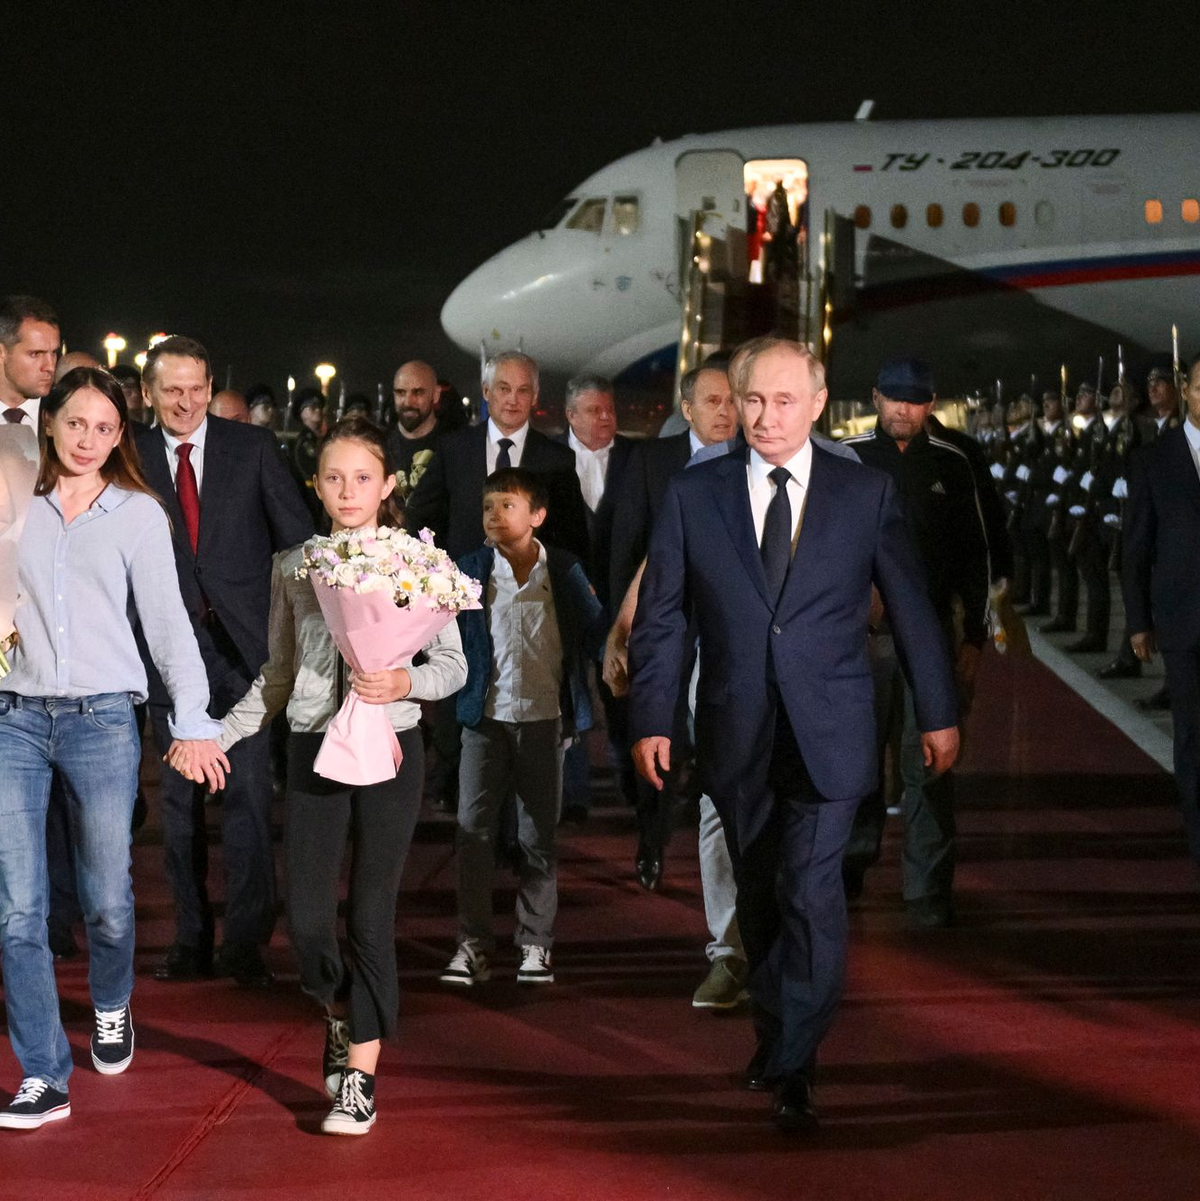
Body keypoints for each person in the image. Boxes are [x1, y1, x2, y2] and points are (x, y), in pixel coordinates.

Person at [628, 337, 958, 1132]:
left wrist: (939, 710)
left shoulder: (864, 492)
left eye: (783, 401)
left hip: (832, 729)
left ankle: (797, 1063)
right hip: (737, 729)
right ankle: (777, 1036)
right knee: (762, 894)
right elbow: (664, 617)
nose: (766, 417)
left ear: (817, 405)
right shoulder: (692, 493)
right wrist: (652, 715)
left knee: (811, 888)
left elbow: (911, 608)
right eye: (752, 401)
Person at [182, 415, 466, 1136]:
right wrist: (216, 733)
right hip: (314, 747)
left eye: (363, 477)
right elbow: (278, 675)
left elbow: (453, 666)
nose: (347, 490)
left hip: (393, 749)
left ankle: (360, 1079)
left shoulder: (418, 563)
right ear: (316, 483)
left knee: (371, 914)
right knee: (308, 919)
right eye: (333, 477)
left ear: (389, 485)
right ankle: (339, 1014)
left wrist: (404, 683)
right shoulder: (294, 565)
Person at [0, 367, 227, 1130]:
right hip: (14, 719)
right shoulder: (12, 501)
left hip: (102, 720)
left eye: (105, 428)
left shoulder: (137, 514)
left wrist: (193, 720)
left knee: (106, 900)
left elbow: (168, 626)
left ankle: (108, 1000)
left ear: (120, 434)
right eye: (75, 425)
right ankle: (42, 1073)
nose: (89, 440)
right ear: (48, 422)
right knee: (17, 908)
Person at [133, 335, 313, 989]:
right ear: (149, 392)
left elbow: (298, 543)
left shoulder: (255, 449)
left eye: (197, 387)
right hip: (165, 652)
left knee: (246, 799)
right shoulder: (129, 454)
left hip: (245, 655)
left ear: (212, 386)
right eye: (172, 389)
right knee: (178, 805)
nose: (186, 401)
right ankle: (189, 938)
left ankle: (244, 942)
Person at [405, 350, 589, 814]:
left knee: (521, 709)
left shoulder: (556, 459)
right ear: (486, 393)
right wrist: (437, 584)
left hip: (532, 608)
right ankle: (456, 790)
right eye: (503, 388)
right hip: (461, 605)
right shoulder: (453, 449)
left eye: (523, 389)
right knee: (459, 704)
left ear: (536, 397)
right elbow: (419, 522)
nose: (512, 399)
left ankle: (510, 818)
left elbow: (571, 540)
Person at [440, 467, 603, 988]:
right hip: (483, 721)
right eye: (488, 506)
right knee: (472, 832)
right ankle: (472, 943)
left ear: (537, 516)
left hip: (544, 721)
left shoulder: (566, 571)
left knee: (538, 836)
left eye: (507, 506)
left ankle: (535, 943)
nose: (493, 515)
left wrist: (618, 665)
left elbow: (597, 632)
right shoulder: (468, 571)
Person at [841, 358, 989, 925]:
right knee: (855, 758)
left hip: (929, 639)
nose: (905, 409)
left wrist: (973, 636)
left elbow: (977, 555)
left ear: (931, 403)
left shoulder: (954, 463)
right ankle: (850, 864)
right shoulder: (846, 457)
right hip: (860, 638)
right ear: (876, 398)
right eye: (896, 398)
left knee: (929, 759)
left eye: (917, 399)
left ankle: (926, 889)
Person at [609, 363, 738, 890]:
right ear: (687, 410)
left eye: (732, 400)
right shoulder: (655, 461)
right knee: (659, 731)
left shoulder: (752, 460)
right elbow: (628, 548)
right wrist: (620, 632)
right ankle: (652, 838)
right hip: (665, 620)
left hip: (728, 627)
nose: (726, 411)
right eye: (712, 402)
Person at [1123, 353, 1200, 880]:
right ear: (1187, 391)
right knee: (1194, 736)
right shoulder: (1155, 458)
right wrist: (1138, 619)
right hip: (1184, 618)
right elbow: (1137, 545)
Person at [559, 374, 636, 824]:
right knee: (569, 694)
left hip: (620, 599)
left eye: (609, 409)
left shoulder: (635, 457)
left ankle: (630, 778)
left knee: (621, 693)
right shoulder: (549, 459)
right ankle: (574, 794)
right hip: (567, 602)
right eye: (593, 410)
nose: (605, 418)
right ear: (570, 415)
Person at [0, 295, 60, 426]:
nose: (50, 366)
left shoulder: (64, 415)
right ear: (1, 353)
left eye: (54, 353)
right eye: (36, 354)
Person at [385, 359, 441, 490]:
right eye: (401, 393)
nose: (408, 402)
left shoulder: (456, 447)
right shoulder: (377, 445)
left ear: (436, 394)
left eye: (418, 392)